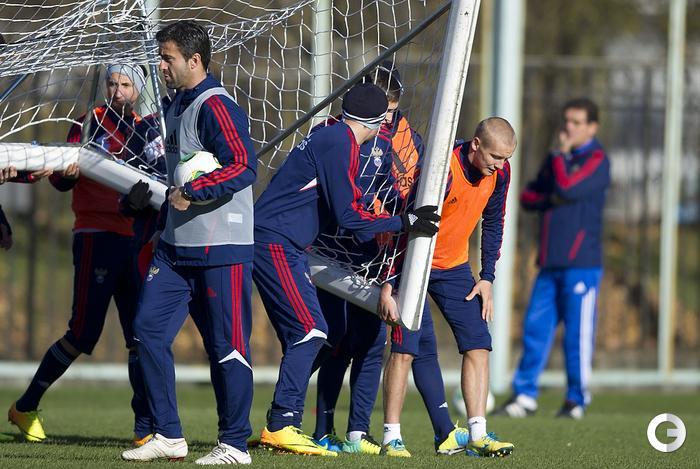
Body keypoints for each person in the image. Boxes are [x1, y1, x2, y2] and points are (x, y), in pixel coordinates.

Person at [253, 82, 439, 456]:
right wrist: (404, 222)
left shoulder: (335, 137)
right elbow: (349, 217)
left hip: (288, 243)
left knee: (318, 332)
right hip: (275, 241)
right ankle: (281, 424)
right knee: (311, 330)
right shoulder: (339, 142)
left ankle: (280, 424)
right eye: (385, 119)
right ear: (376, 122)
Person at [120, 21, 257, 465]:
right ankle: (168, 435)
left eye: (168, 58)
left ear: (194, 61)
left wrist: (194, 191)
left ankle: (234, 444)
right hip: (176, 248)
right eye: (160, 58)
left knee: (226, 346)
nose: (160, 66)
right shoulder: (174, 103)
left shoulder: (216, 105)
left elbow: (244, 166)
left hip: (222, 249)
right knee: (147, 330)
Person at [7, 62, 157, 445]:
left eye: (126, 84)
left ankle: (145, 427)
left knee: (140, 335)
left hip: (135, 240)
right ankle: (26, 405)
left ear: (139, 89)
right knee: (83, 333)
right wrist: (69, 173)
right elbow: (60, 178)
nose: (118, 90)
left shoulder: (149, 129)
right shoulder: (89, 122)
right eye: (112, 83)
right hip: (95, 236)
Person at [379, 117, 516, 458]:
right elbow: (407, 225)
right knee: (405, 348)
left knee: (478, 343)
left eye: (506, 159)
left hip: (454, 267)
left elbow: (494, 221)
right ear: (476, 145)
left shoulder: (500, 174)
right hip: (414, 264)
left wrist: (487, 276)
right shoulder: (443, 170)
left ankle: (478, 435)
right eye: (495, 157)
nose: (499, 165)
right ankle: (391, 437)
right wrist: (391, 283)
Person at [311, 63, 424, 455]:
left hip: (372, 255)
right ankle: (319, 428)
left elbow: (395, 197)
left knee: (373, 343)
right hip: (329, 252)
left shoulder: (398, 144)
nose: (387, 119)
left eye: (393, 111)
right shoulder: (329, 134)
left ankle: (358, 432)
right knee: (334, 340)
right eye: (382, 111)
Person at [494, 98, 610, 420]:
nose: (568, 127)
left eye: (576, 122)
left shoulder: (597, 160)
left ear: (592, 127)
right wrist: (553, 194)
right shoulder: (556, 158)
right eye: (566, 120)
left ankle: (576, 399)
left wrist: (560, 163)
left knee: (576, 337)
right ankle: (524, 396)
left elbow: (569, 188)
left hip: (581, 266)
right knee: (535, 329)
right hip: (549, 263)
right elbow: (528, 196)